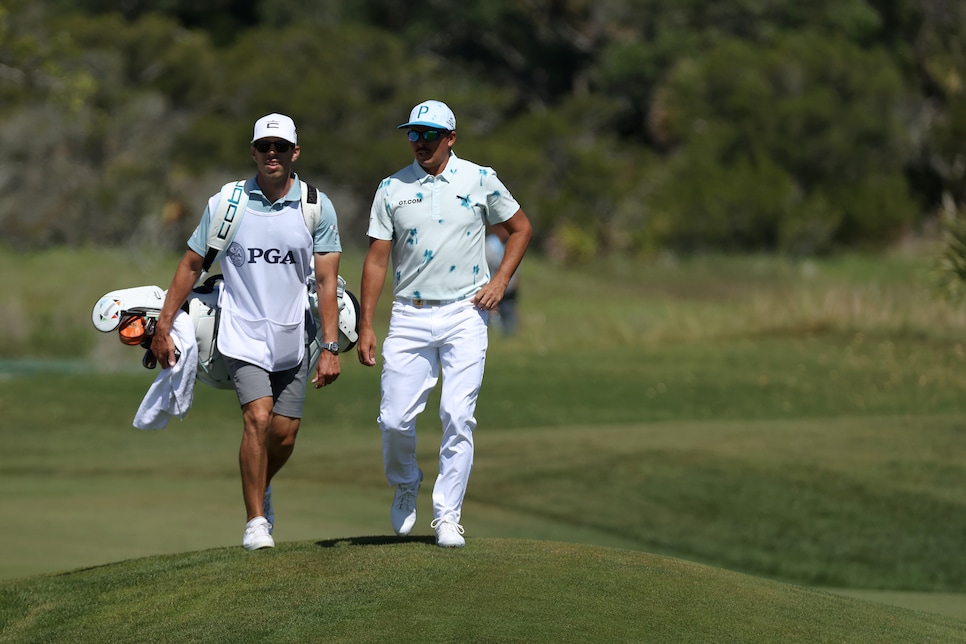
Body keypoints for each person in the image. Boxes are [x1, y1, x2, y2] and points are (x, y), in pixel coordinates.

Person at [150, 113, 343, 551]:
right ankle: (256, 521)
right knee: (257, 419)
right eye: (263, 147)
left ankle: (260, 484)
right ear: (253, 152)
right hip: (241, 332)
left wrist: (330, 347)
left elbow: (327, 281)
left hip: (294, 336)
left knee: (285, 433)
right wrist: (164, 325)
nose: (271, 154)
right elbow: (191, 264)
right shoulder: (227, 203)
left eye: (279, 147)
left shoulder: (316, 205)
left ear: (295, 152)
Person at [357, 99, 533, 548]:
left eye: (429, 135)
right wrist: (366, 324)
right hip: (410, 315)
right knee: (394, 420)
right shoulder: (392, 188)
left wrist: (500, 281)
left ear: (450, 139)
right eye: (413, 135)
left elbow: (521, 228)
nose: (420, 143)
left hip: (464, 313)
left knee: (458, 416)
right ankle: (405, 482)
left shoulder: (479, 179)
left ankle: (448, 515)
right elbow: (377, 260)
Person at [484, 225, 520, 336]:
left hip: (509, 292)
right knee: (492, 322)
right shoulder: (487, 247)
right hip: (493, 292)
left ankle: (510, 342)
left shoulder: (509, 244)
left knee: (510, 322)